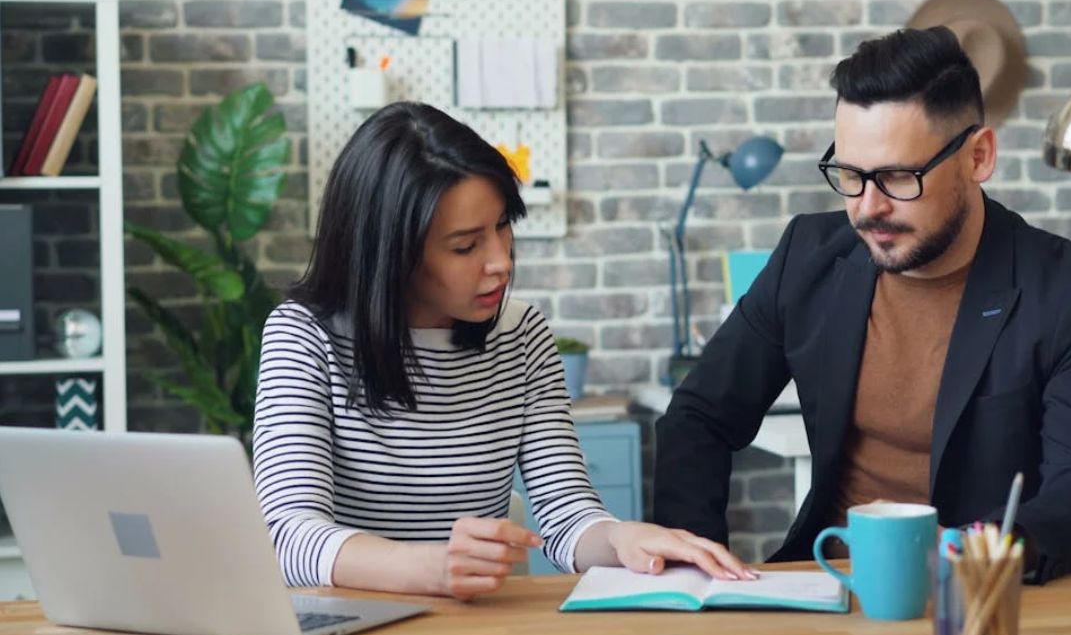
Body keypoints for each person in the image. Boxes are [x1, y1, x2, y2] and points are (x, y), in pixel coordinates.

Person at [653, 27, 1071, 584]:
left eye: (896, 177)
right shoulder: (807, 258)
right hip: (824, 584)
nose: (867, 208)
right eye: (851, 175)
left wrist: (971, 551)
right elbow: (699, 417)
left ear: (978, 156)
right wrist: (695, 571)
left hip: (978, 599)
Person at [254, 102, 753, 600]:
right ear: (392, 254)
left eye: (503, 227)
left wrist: (622, 537)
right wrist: (429, 568)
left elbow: (566, 516)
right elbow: (287, 535)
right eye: (466, 247)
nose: (500, 262)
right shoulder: (303, 336)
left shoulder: (522, 335)